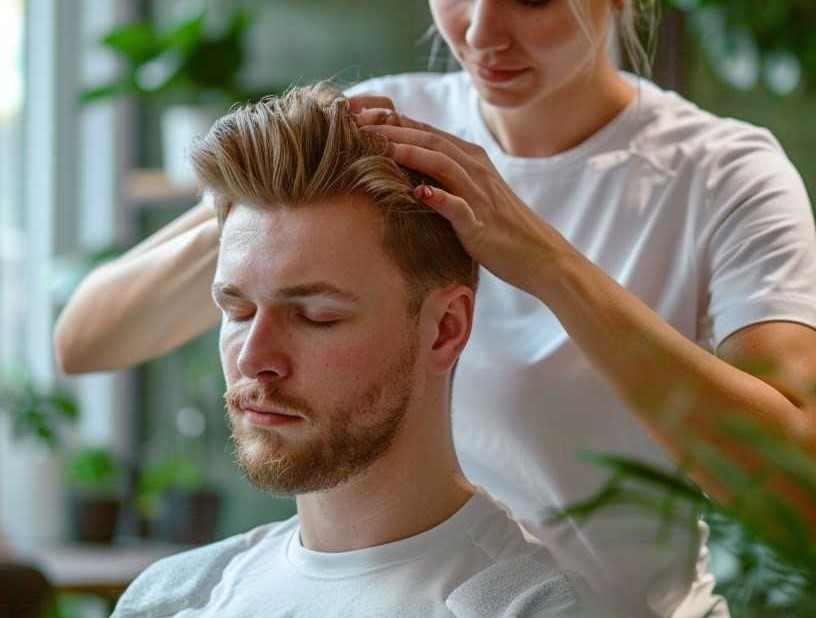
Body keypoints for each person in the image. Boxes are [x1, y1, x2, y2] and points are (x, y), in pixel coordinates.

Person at [55, 1, 816, 616]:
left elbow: (794, 490)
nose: (481, 31)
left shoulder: (722, 177)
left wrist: (543, 260)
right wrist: (287, 202)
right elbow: (84, 341)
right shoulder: (396, 125)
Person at [110, 84, 610, 618]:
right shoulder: (172, 598)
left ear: (444, 328)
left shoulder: (529, 608)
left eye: (316, 316)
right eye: (238, 312)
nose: (254, 358)